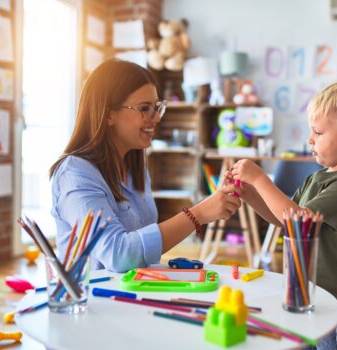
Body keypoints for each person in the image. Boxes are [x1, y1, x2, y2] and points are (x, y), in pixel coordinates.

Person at [229, 80, 337, 349]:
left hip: (335, 302)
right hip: (306, 292)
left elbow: (299, 219)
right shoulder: (317, 178)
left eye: (318, 132)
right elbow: (285, 221)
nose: (310, 139)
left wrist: (260, 177)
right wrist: (251, 194)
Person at [49, 59, 241, 272]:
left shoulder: (135, 168)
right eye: (144, 108)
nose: (157, 117)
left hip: (131, 294)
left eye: (158, 107)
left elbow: (139, 253)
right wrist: (198, 214)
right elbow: (119, 255)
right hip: (90, 301)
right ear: (109, 113)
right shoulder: (75, 174)